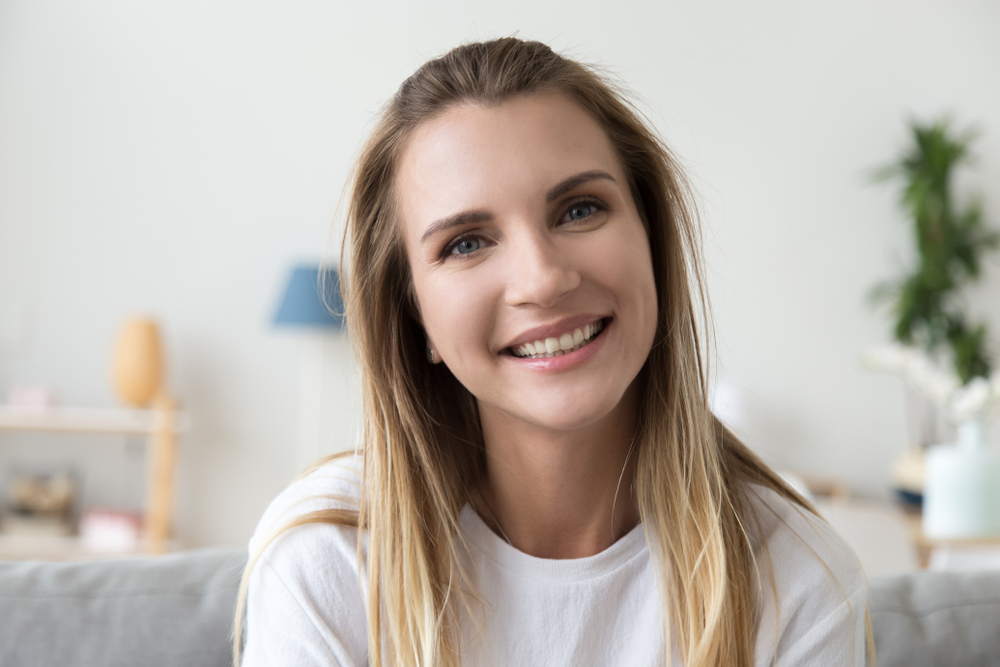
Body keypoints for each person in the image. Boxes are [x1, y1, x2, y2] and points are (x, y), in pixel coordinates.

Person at [234, 38, 869, 667]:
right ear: (414, 313)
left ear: (651, 238)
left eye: (580, 209)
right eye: (465, 243)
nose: (541, 279)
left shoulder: (797, 577)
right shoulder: (331, 557)